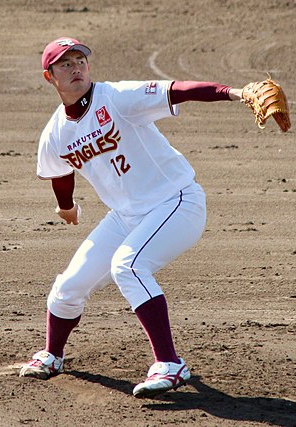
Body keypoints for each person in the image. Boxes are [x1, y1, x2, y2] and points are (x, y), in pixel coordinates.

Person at [19, 37, 243, 398]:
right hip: (126, 216)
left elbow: (177, 90)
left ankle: (170, 364)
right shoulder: (55, 133)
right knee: (68, 287)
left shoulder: (117, 98)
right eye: (65, 64)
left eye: (80, 60)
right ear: (50, 77)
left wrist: (236, 92)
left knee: (128, 265)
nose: (76, 67)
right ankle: (53, 354)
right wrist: (67, 207)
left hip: (177, 202)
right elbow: (60, 172)